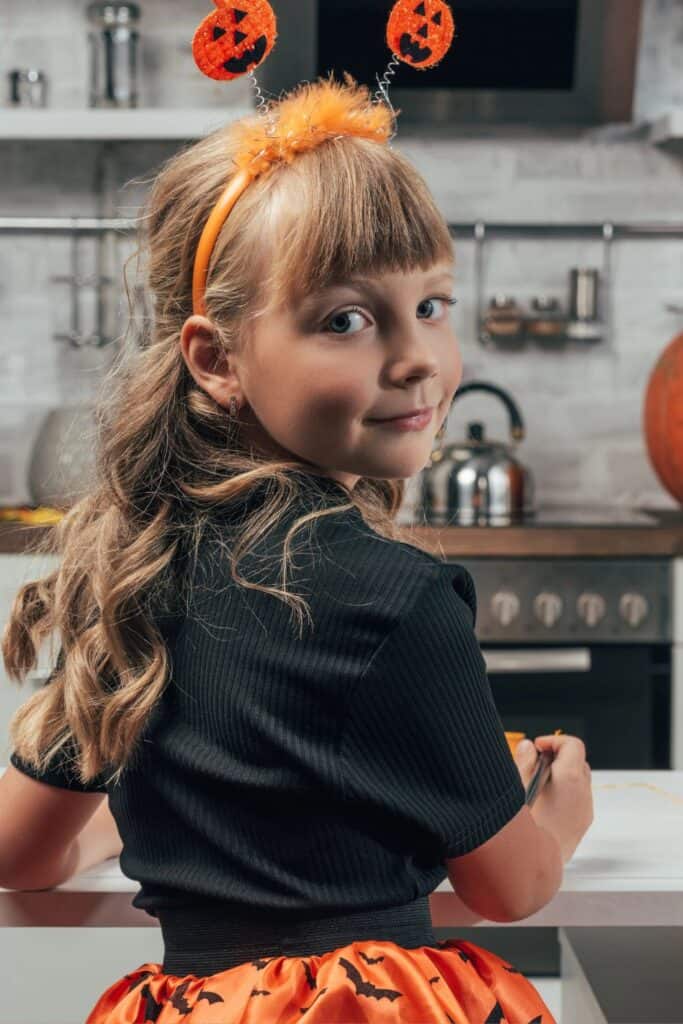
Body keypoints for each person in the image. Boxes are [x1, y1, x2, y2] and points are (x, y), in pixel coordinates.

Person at [0, 6, 593, 1021]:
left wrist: (141, 825)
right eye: (347, 319)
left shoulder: (140, 562)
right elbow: (509, 886)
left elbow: (19, 854)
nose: (415, 357)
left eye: (431, 305)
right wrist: (561, 806)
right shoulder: (399, 599)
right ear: (216, 358)